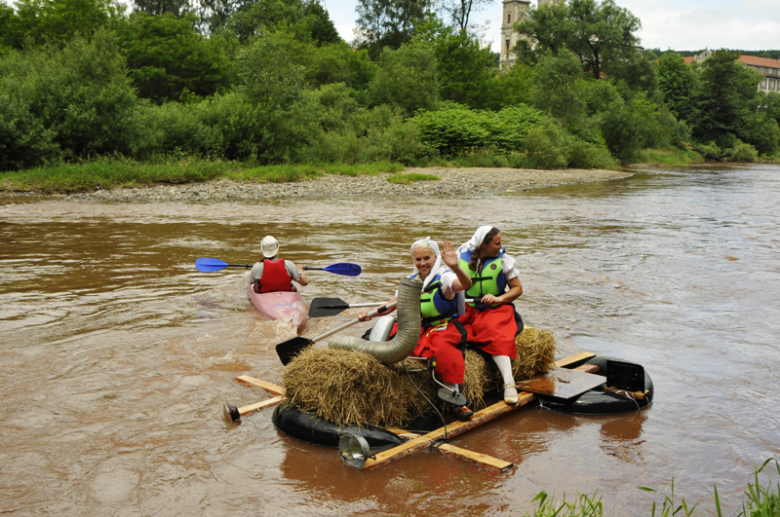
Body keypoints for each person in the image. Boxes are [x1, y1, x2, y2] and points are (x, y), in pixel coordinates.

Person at [358, 237, 475, 421]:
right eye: (418, 259)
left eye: (427, 258)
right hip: (416, 328)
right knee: (383, 341)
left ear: (436, 258)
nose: (422, 263)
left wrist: (455, 266)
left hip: (441, 327)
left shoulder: (445, 278)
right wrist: (369, 314)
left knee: (444, 350)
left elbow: (466, 284)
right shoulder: (410, 281)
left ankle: (457, 402)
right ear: (413, 260)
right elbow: (390, 306)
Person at [457, 226, 524, 405]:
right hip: (469, 309)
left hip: (495, 308)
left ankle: (509, 383)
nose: (500, 246)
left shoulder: (504, 260)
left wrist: (498, 298)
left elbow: (518, 289)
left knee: (497, 335)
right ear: (483, 245)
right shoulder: (460, 256)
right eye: (497, 243)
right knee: (446, 329)